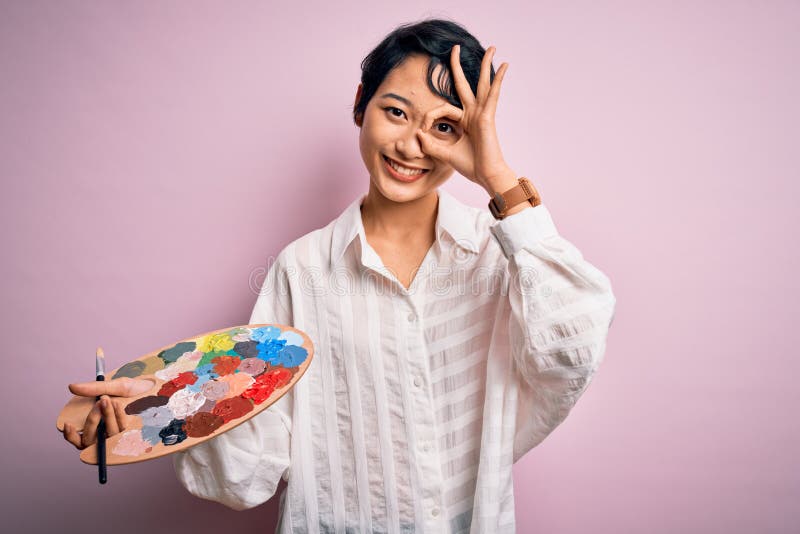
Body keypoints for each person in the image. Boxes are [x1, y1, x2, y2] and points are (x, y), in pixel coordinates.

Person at [62, 18, 616, 533]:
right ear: (360, 104)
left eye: (444, 127)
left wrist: (497, 175)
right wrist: (165, 404)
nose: (411, 145)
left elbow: (570, 354)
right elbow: (251, 468)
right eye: (396, 112)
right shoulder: (301, 270)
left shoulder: (502, 259)